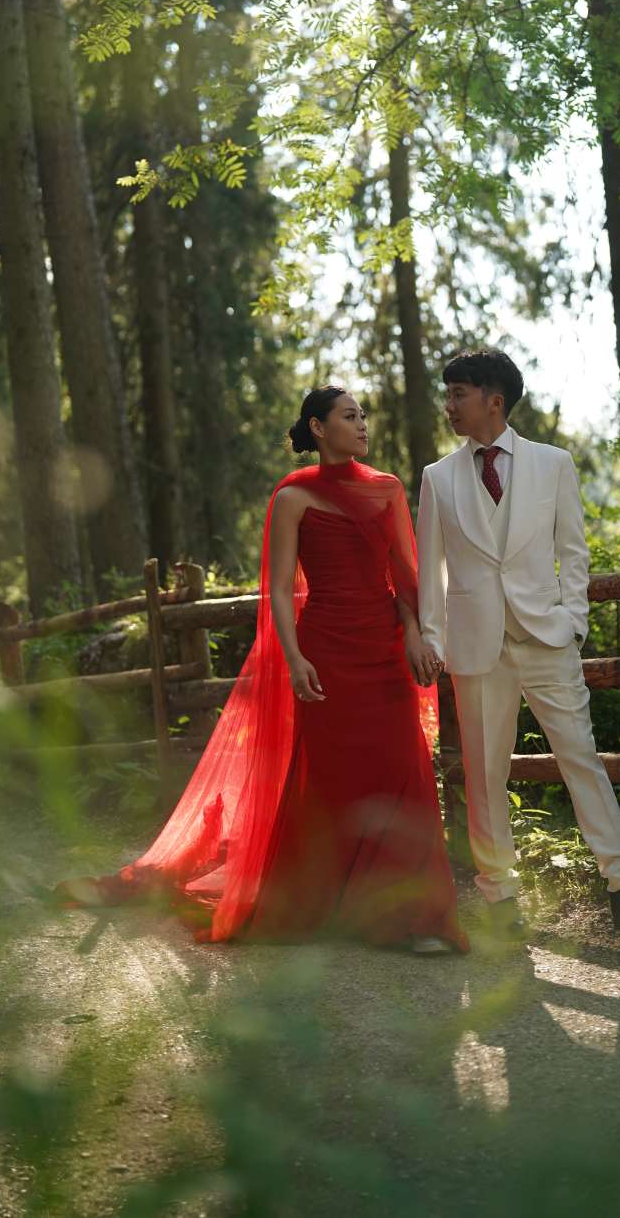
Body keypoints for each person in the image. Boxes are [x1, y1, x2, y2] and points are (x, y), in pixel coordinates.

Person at [56, 387, 466, 955]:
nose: (362, 425)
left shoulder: (387, 488)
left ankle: (412, 915)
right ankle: (332, 903)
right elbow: (277, 588)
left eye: (363, 416)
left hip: (384, 647)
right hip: (326, 652)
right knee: (332, 777)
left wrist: (415, 634)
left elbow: (405, 575)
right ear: (318, 428)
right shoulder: (293, 496)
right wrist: (294, 657)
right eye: (350, 416)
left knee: (402, 769)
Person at [415, 348, 620, 933]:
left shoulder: (553, 463)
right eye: (447, 394)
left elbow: (573, 552)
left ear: (494, 400)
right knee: (486, 773)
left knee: (580, 755)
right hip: (476, 646)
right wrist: (434, 636)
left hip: (546, 637)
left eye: (459, 394)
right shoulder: (438, 478)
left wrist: (573, 622)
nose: (449, 405)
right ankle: (499, 898)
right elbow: (430, 569)